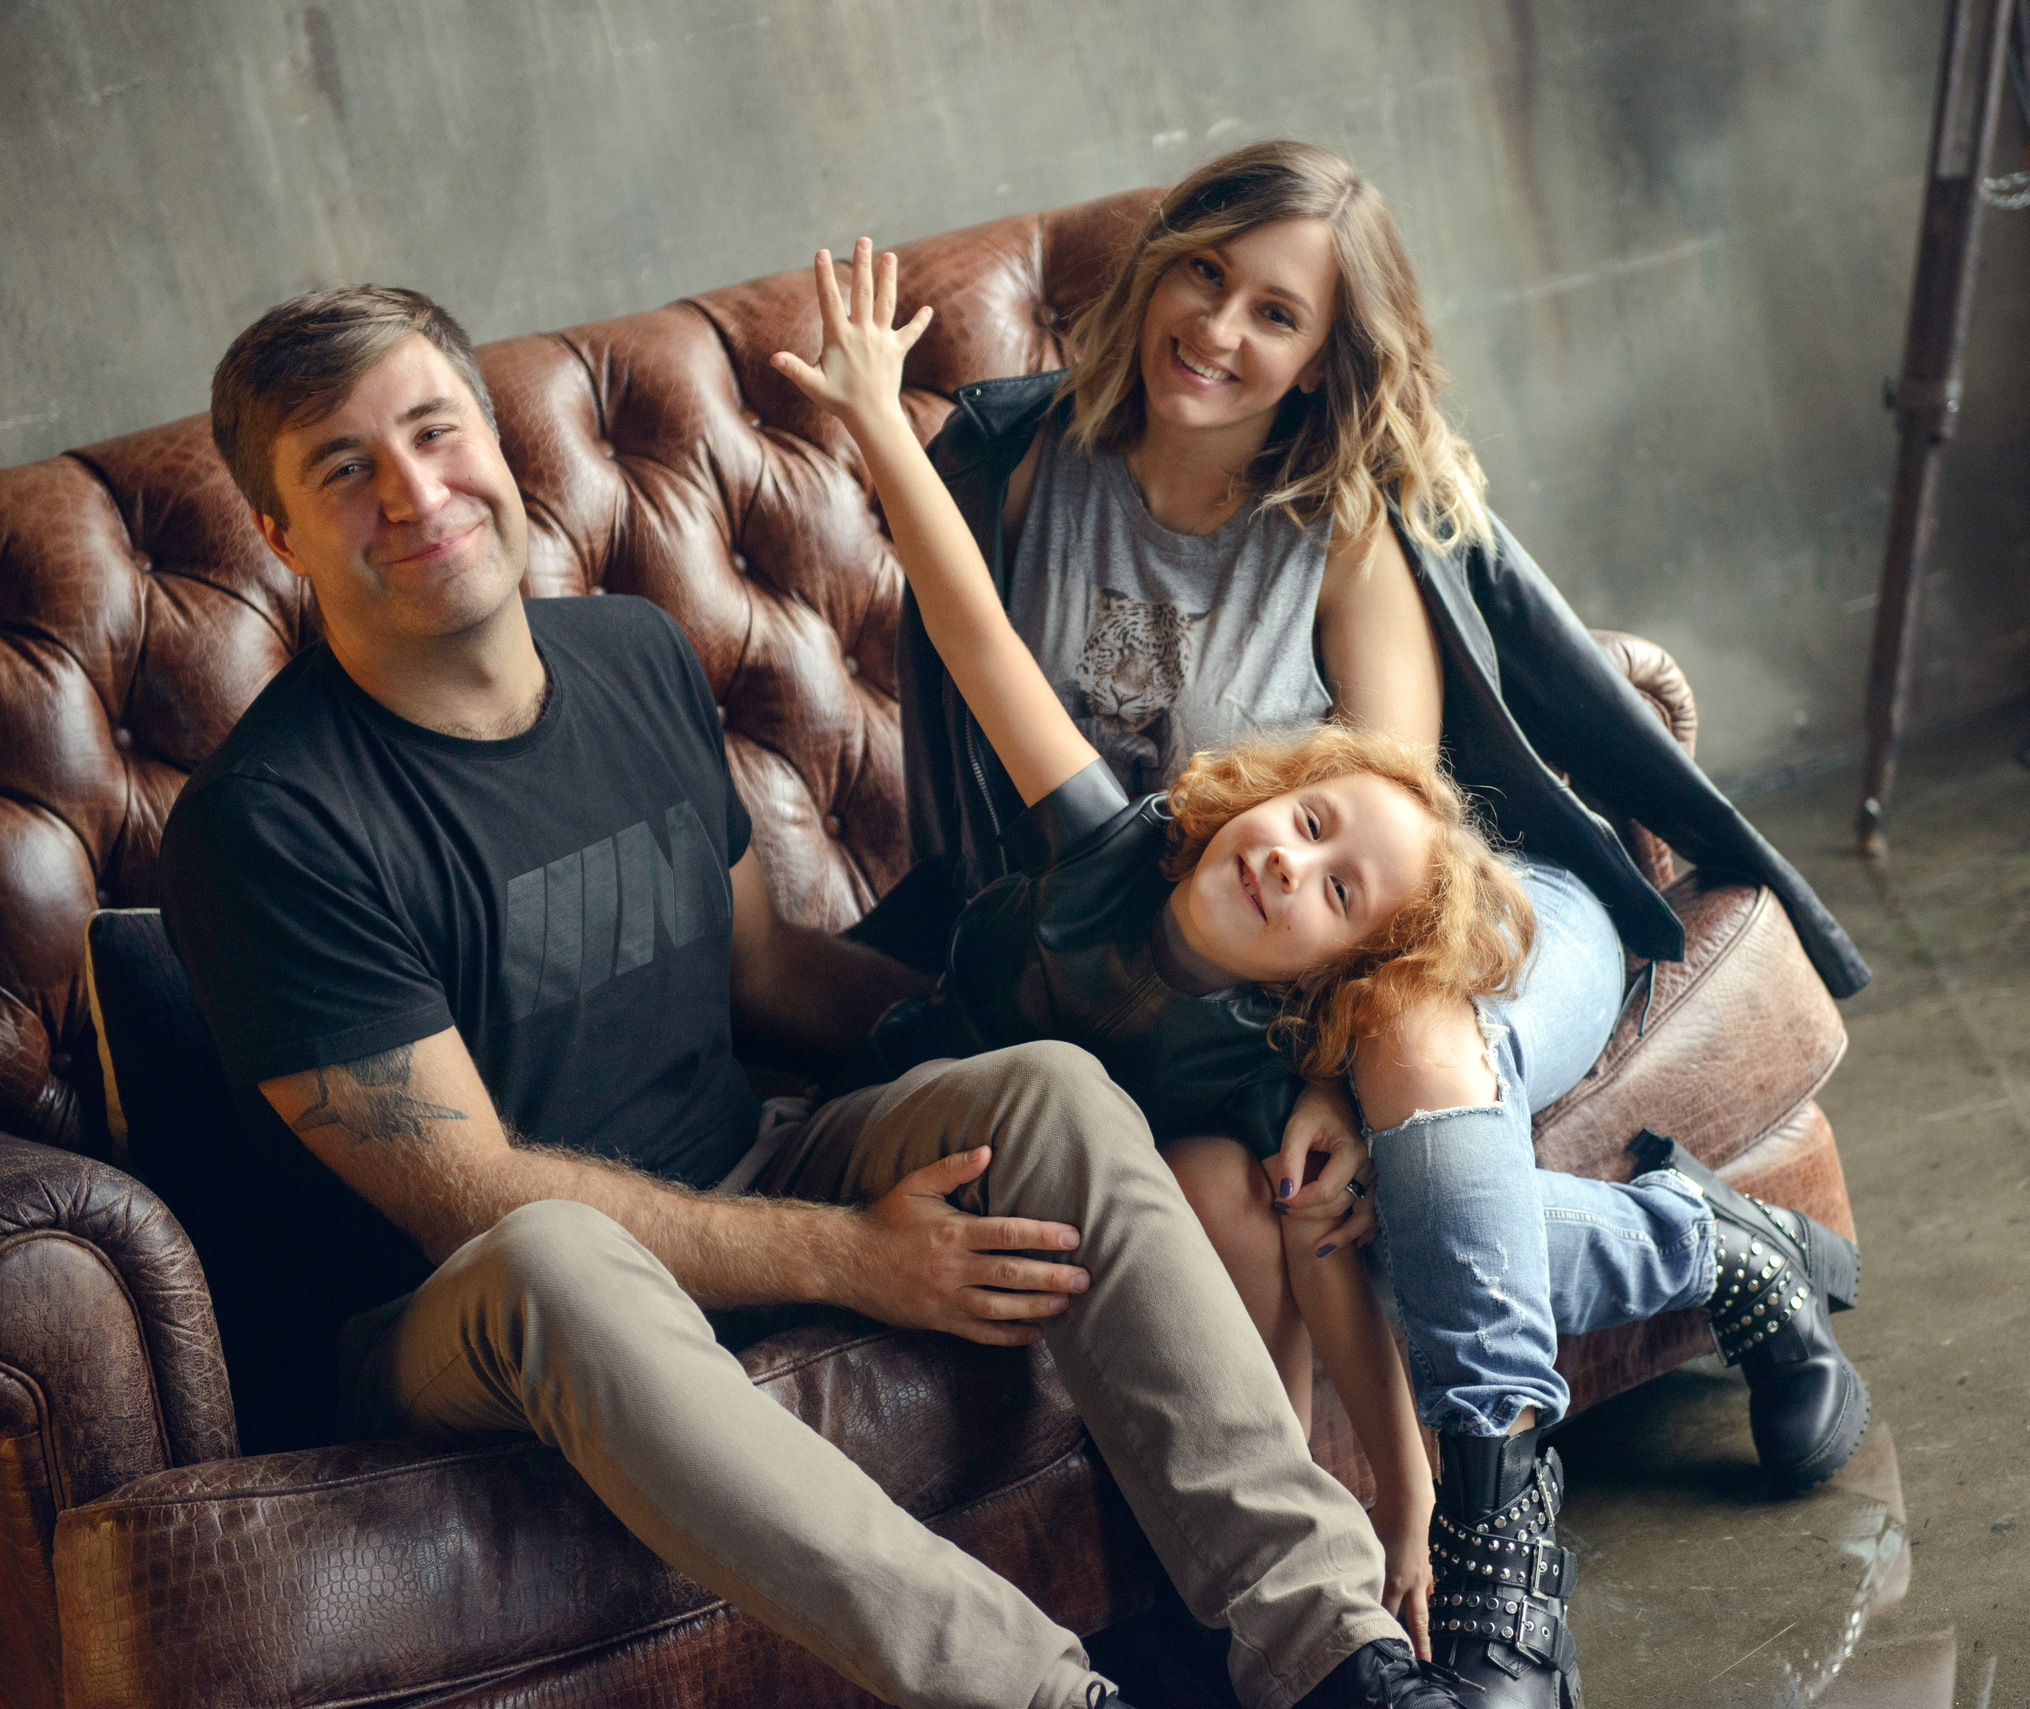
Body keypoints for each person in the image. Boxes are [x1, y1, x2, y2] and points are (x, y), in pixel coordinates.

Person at [159, 283, 1491, 1709]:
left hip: (740, 1156)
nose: (417, 491)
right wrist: (851, 1255)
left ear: (495, 441)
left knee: (1049, 1085)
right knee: (555, 1251)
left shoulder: (631, 654)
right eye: (345, 469)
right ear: (281, 535)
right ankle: (1049, 1697)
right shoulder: (272, 823)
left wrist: (1178, 1052)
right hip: (465, 1309)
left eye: (435, 431)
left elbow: (772, 973)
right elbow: (467, 1195)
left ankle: (1337, 1657)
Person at [880, 142, 1878, 1708]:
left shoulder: (1344, 518)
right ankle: (1708, 1238)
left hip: (1455, 920)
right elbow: (1002, 737)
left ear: (1322, 358)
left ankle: (1503, 1586)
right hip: (1227, 979)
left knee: (1403, 1052)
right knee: (1255, 1196)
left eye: (1276, 314)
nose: (1218, 329)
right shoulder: (1020, 467)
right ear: (1159, 265)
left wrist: (1335, 1082)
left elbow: (1396, 855)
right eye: (1204, 271)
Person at [774, 241, 1543, 1655]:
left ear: (1324, 975)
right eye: (1306, 818)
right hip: (924, 1094)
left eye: (1332, 889)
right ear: (1251, 789)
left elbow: (1333, 1263)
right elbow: (985, 640)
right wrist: (883, 423)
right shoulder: (1118, 846)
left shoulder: (1263, 1051)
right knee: (1186, 1165)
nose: (1286, 860)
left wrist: (1414, 1498)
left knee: (1255, 1199)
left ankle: (1270, 1574)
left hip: (1125, 1150)